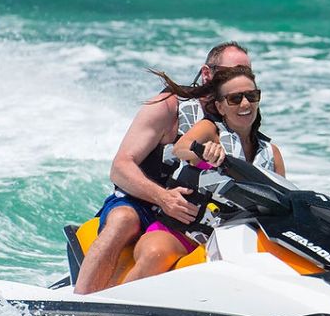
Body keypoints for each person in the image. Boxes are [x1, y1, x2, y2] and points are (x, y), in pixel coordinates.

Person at [73, 42, 251, 294]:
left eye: (245, 73)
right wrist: (164, 198)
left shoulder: (236, 115)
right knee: (123, 220)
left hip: (195, 216)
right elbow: (121, 167)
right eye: (231, 72)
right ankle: (78, 310)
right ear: (207, 74)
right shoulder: (168, 106)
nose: (238, 81)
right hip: (142, 204)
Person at [118, 65, 285, 280]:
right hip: (182, 232)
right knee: (154, 254)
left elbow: (282, 200)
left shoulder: (272, 153)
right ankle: (112, 309)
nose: (245, 103)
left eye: (251, 96)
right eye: (235, 99)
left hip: (238, 239)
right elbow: (182, 148)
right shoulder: (211, 130)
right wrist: (204, 150)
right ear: (220, 106)